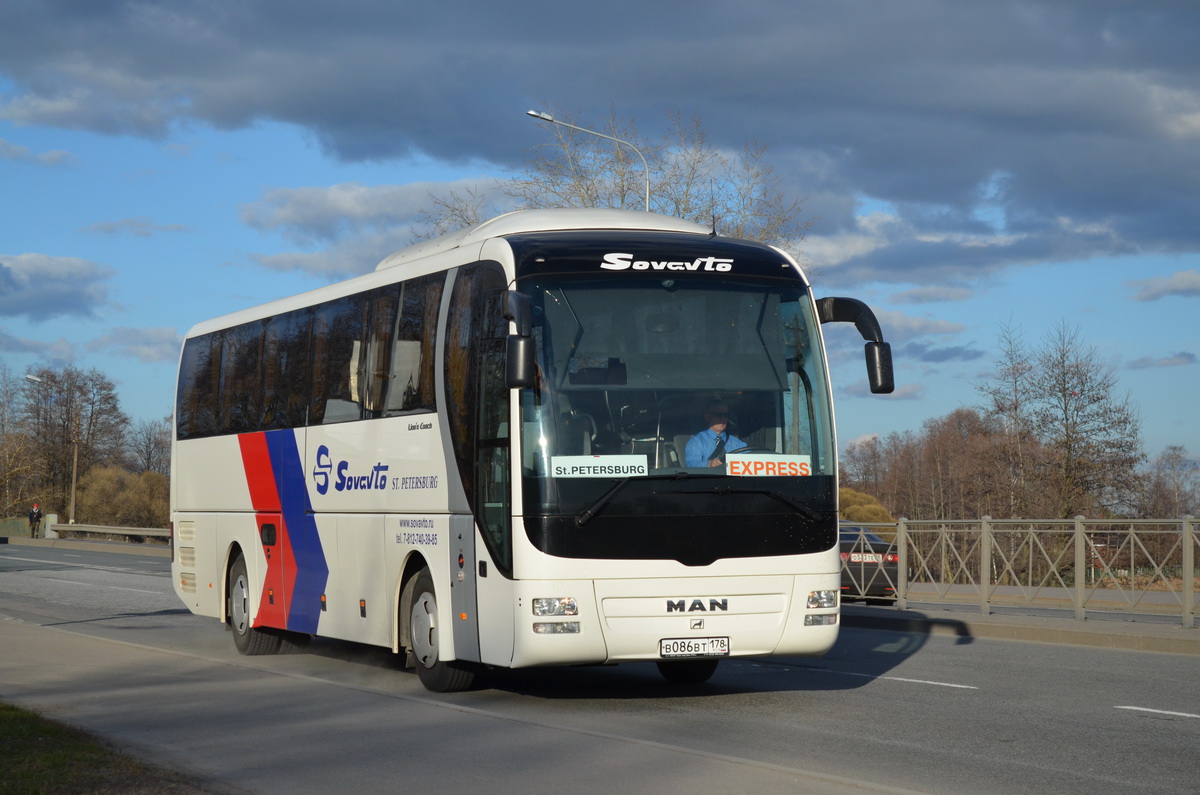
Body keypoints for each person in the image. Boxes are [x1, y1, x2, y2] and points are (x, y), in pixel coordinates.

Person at [685, 402, 746, 467]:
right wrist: (709, 464)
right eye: (718, 414)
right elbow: (691, 466)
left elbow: (750, 461)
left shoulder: (738, 443)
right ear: (707, 417)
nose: (722, 418)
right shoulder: (696, 442)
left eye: (725, 415)